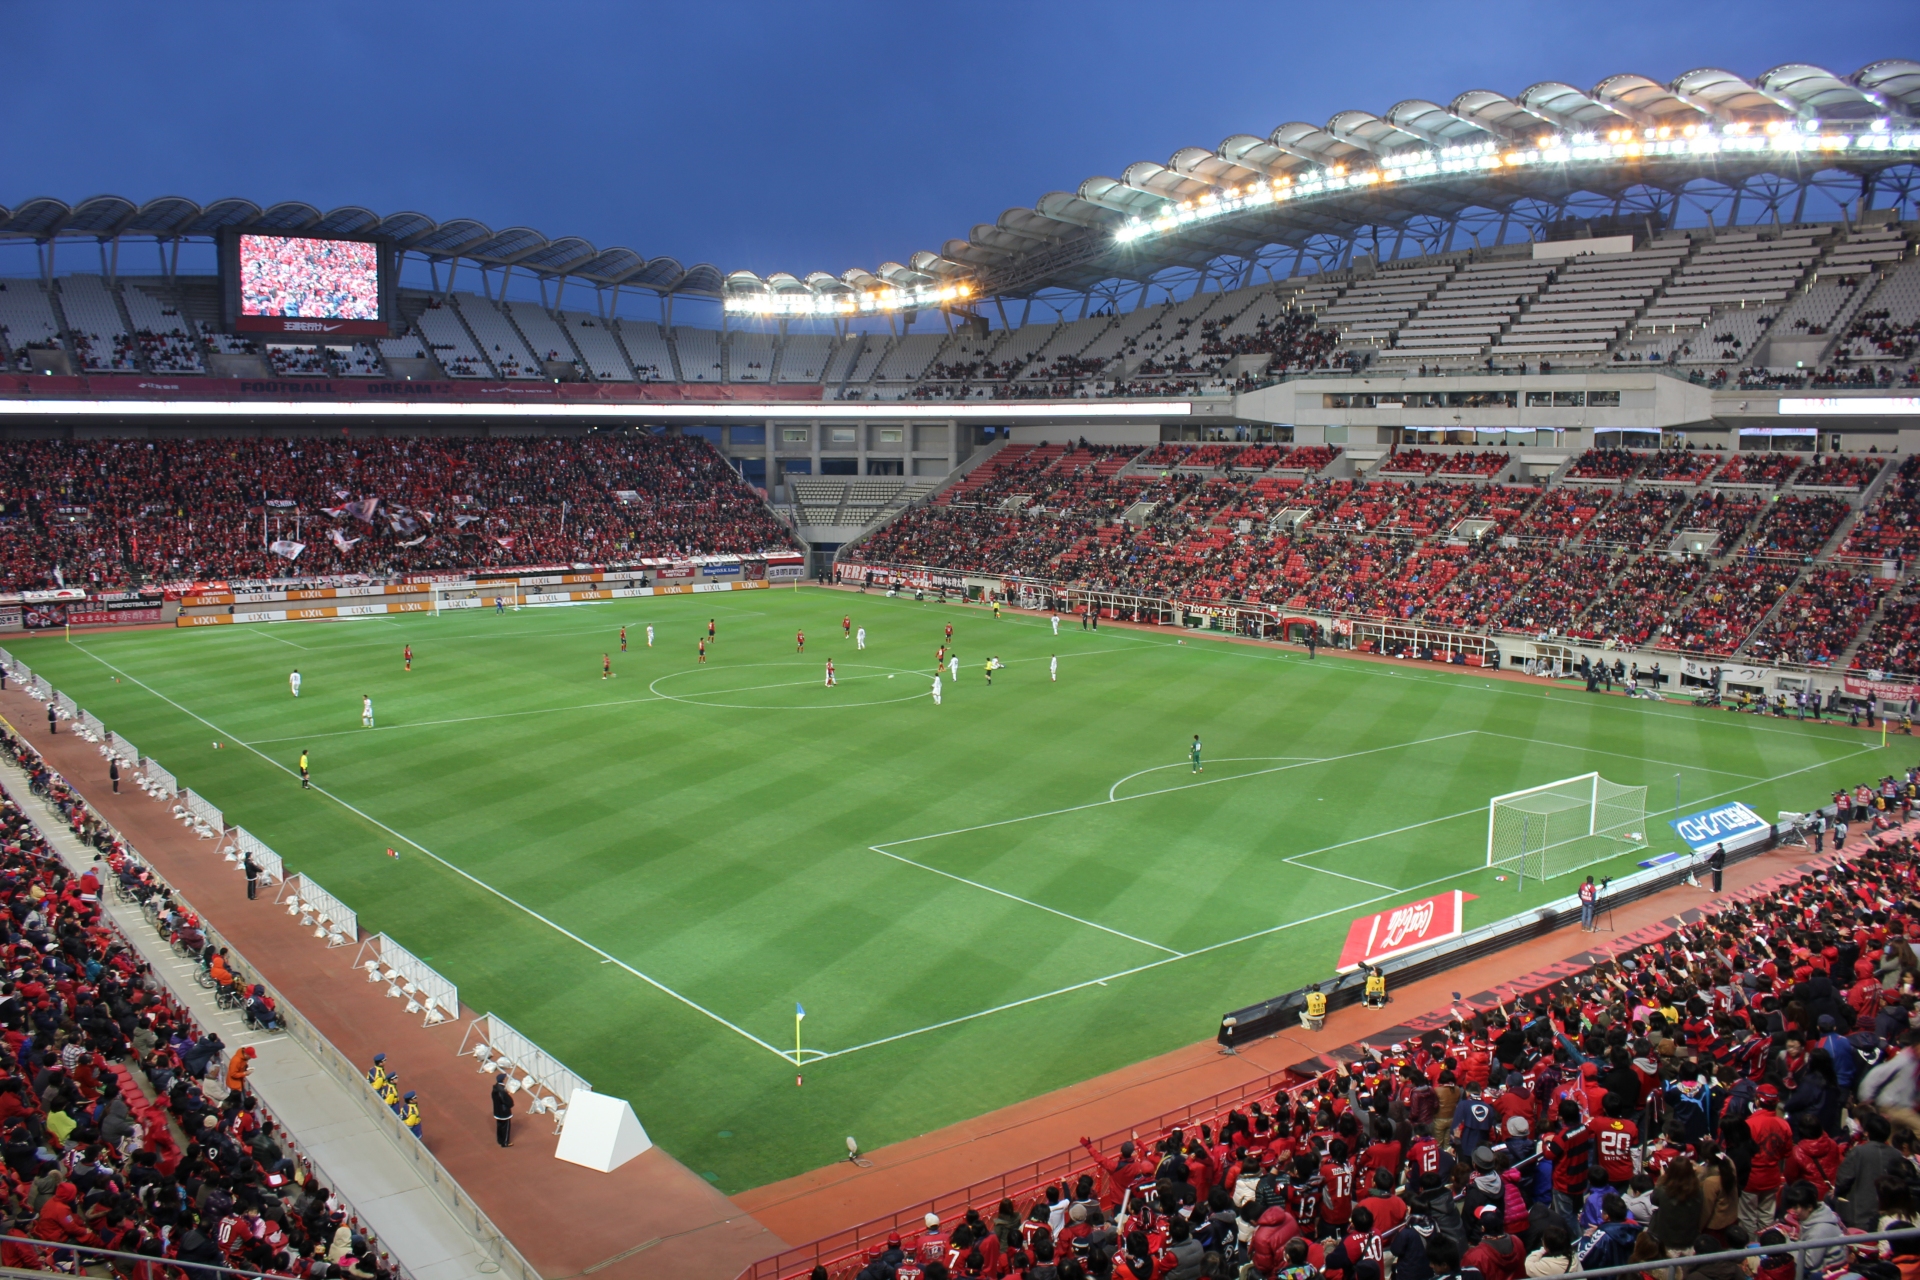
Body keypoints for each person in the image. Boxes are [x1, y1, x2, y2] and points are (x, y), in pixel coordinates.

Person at [491, 1073, 514, 1148]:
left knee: (499, 1126)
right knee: (506, 1127)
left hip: (497, 1111)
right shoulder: (502, 1091)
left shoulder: (495, 1089)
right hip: (504, 1113)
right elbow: (507, 1101)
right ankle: (505, 1142)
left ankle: (500, 1139)